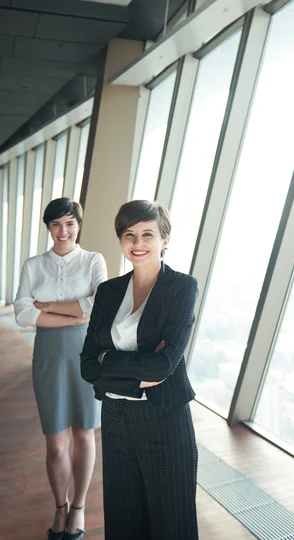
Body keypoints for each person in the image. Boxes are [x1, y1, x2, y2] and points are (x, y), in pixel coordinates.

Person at [80, 200, 199, 540]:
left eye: (148, 234)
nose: (138, 243)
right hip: (116, 418)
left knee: (172, 525)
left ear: (165, 239)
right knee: (123, 521)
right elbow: (88, 364)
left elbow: (163, 365)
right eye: (129, 234)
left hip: (165, 421)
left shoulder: (181, 288)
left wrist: (109, 363)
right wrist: (135, 375)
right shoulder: (108, 291)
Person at [14, 198, 107, 540]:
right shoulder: (34, 265)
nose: (63, 231)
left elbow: (98, 307)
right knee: (55, 443)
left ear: (79, 225)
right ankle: (60, 505)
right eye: (56, 224)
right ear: (48, 227)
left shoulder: (93, 261)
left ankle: (79, 507)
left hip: (87, 355)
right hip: (49, 357)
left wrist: (48, 306)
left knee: (84, 434)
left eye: (70, 223)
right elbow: (22, 313)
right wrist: (73, 313)